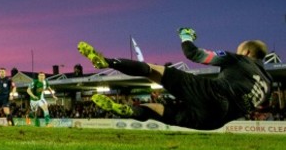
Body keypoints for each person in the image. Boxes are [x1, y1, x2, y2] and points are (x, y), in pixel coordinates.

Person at [78, 27, 273, 131]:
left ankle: (107, 62)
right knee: (158, 111)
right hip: (215, 121)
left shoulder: (238, 59)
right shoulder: (269, 85)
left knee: (153, 71)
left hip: (212, 94)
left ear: (247, 52)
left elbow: (193, 54)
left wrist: (185, 36)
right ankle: (129, 110)